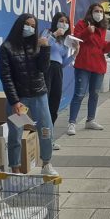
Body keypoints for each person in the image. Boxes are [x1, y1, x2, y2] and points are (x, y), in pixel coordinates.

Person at [0, 13, 57, 175]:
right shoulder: (7, 47)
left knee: (46, 129)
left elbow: (43, 68)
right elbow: (6, 77)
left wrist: (45, 48)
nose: (30, 28)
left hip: (39, 96)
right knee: (15, 134)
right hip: (20, 100)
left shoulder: (36, 45)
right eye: (27, 24)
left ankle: (46, 163)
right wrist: (14, 101)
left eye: (33, 26)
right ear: (19, 25)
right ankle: (15, 168)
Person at [67, 3, 110, 136]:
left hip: (98, 65)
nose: (99, 13)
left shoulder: (102, 28)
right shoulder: (81, 24)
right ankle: (72, 123)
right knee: (79, 94)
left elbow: (103, 48)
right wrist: (87, 32)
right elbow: (76, 40)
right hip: (83, 64)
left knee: (94, 94)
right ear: (90, 12)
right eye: (96, 11)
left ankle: (90, 119)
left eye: (101, 11)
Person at [41, 12, 76, 150]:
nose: (64, 23)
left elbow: (62, 62)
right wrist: (55, 34)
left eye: (66, 21)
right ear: (55, 22)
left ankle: (49, 138)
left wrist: (74, 54)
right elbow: (43, 44)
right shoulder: (48, 32)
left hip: (57, 71)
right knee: (44, 103)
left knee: (54, 104)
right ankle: (40, 137)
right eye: (61, 21)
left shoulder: (65, 40)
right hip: (46, 68)